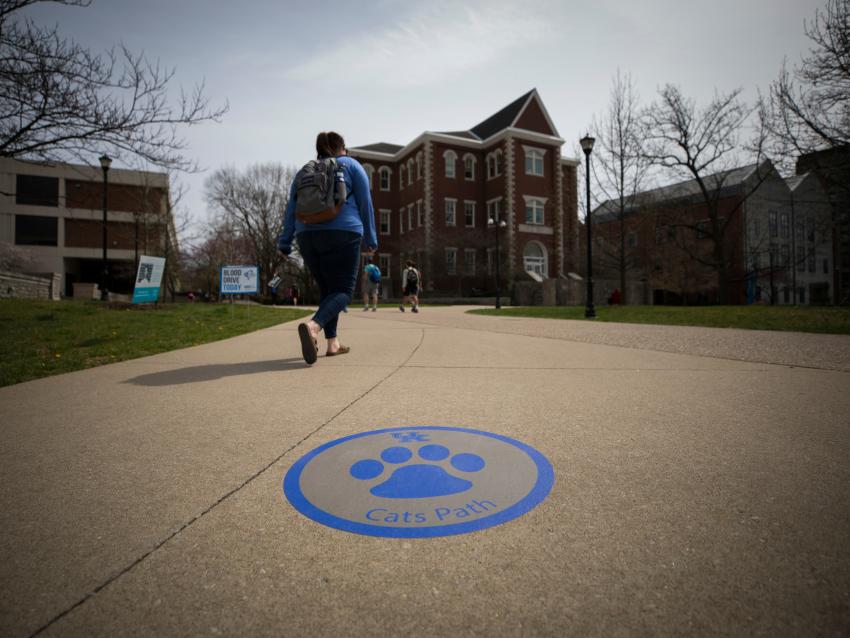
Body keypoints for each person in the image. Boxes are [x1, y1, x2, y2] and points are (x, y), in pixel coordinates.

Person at [277, 131, 377, 364]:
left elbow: (291, 209)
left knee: (328, 292)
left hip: (307, 236)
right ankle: (313, 327)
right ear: (343, 148)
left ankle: (333, 344)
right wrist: (371, 239)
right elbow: (365, 203)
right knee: (343, 292)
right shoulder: (351, 165)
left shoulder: (305, 170)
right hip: (344, 233)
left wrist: (284, 242)